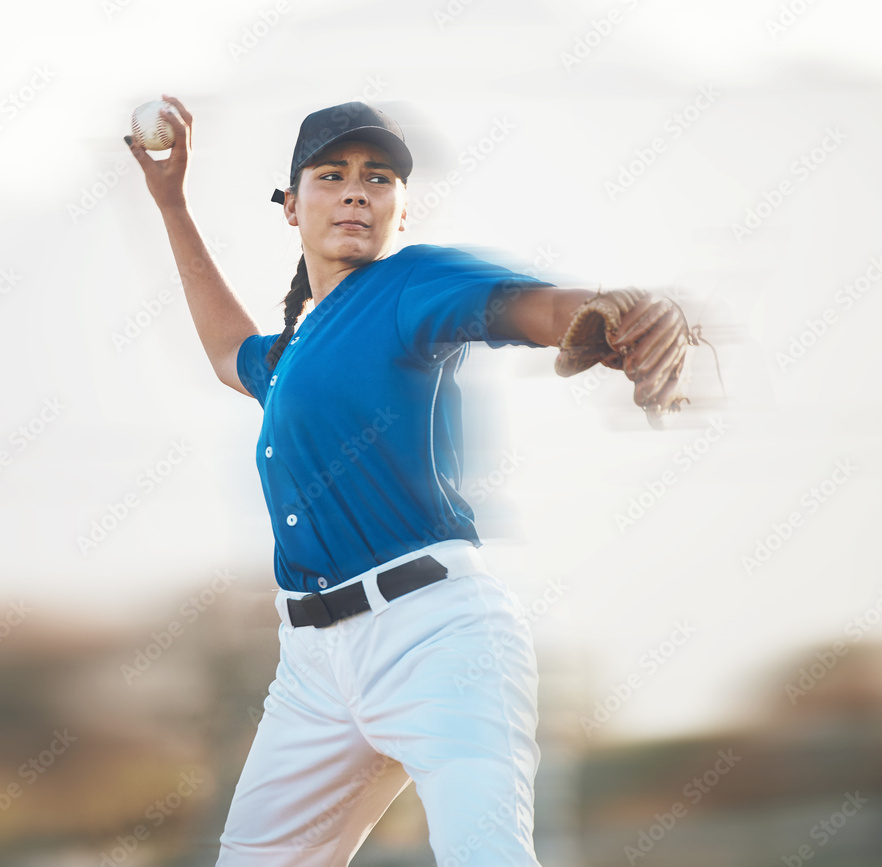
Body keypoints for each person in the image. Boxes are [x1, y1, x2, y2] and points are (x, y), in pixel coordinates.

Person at [126, 96, 689, 866]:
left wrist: (600, 313)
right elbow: (230, 353)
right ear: (291, 207)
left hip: (437, 636)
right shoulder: (293, 353)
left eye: (379, 176)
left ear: (400, 209)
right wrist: (171, 203)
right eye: (332, 174)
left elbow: (525, 306)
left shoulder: (409, 286)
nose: (358, 189)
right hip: (312, 667)